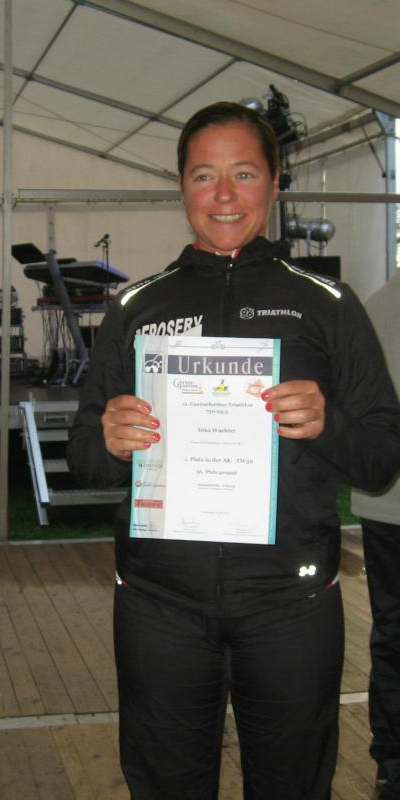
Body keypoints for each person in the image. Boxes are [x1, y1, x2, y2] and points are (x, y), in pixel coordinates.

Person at [66, 101, 400, 800]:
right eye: (203, 176)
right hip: (158, 603)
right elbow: (85, 460)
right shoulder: (136, 308)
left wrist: (328, 423)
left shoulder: (328, 304)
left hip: (291, 603)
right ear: (181, 187)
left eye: (243, 173)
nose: (223, 196)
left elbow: (379, 459)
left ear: (275, 182)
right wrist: (110, 440)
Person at [351, 269, 400, 800]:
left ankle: (391, 759)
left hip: (383, 506)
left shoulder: (372, 306)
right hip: (389, 503)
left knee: (391, 632)